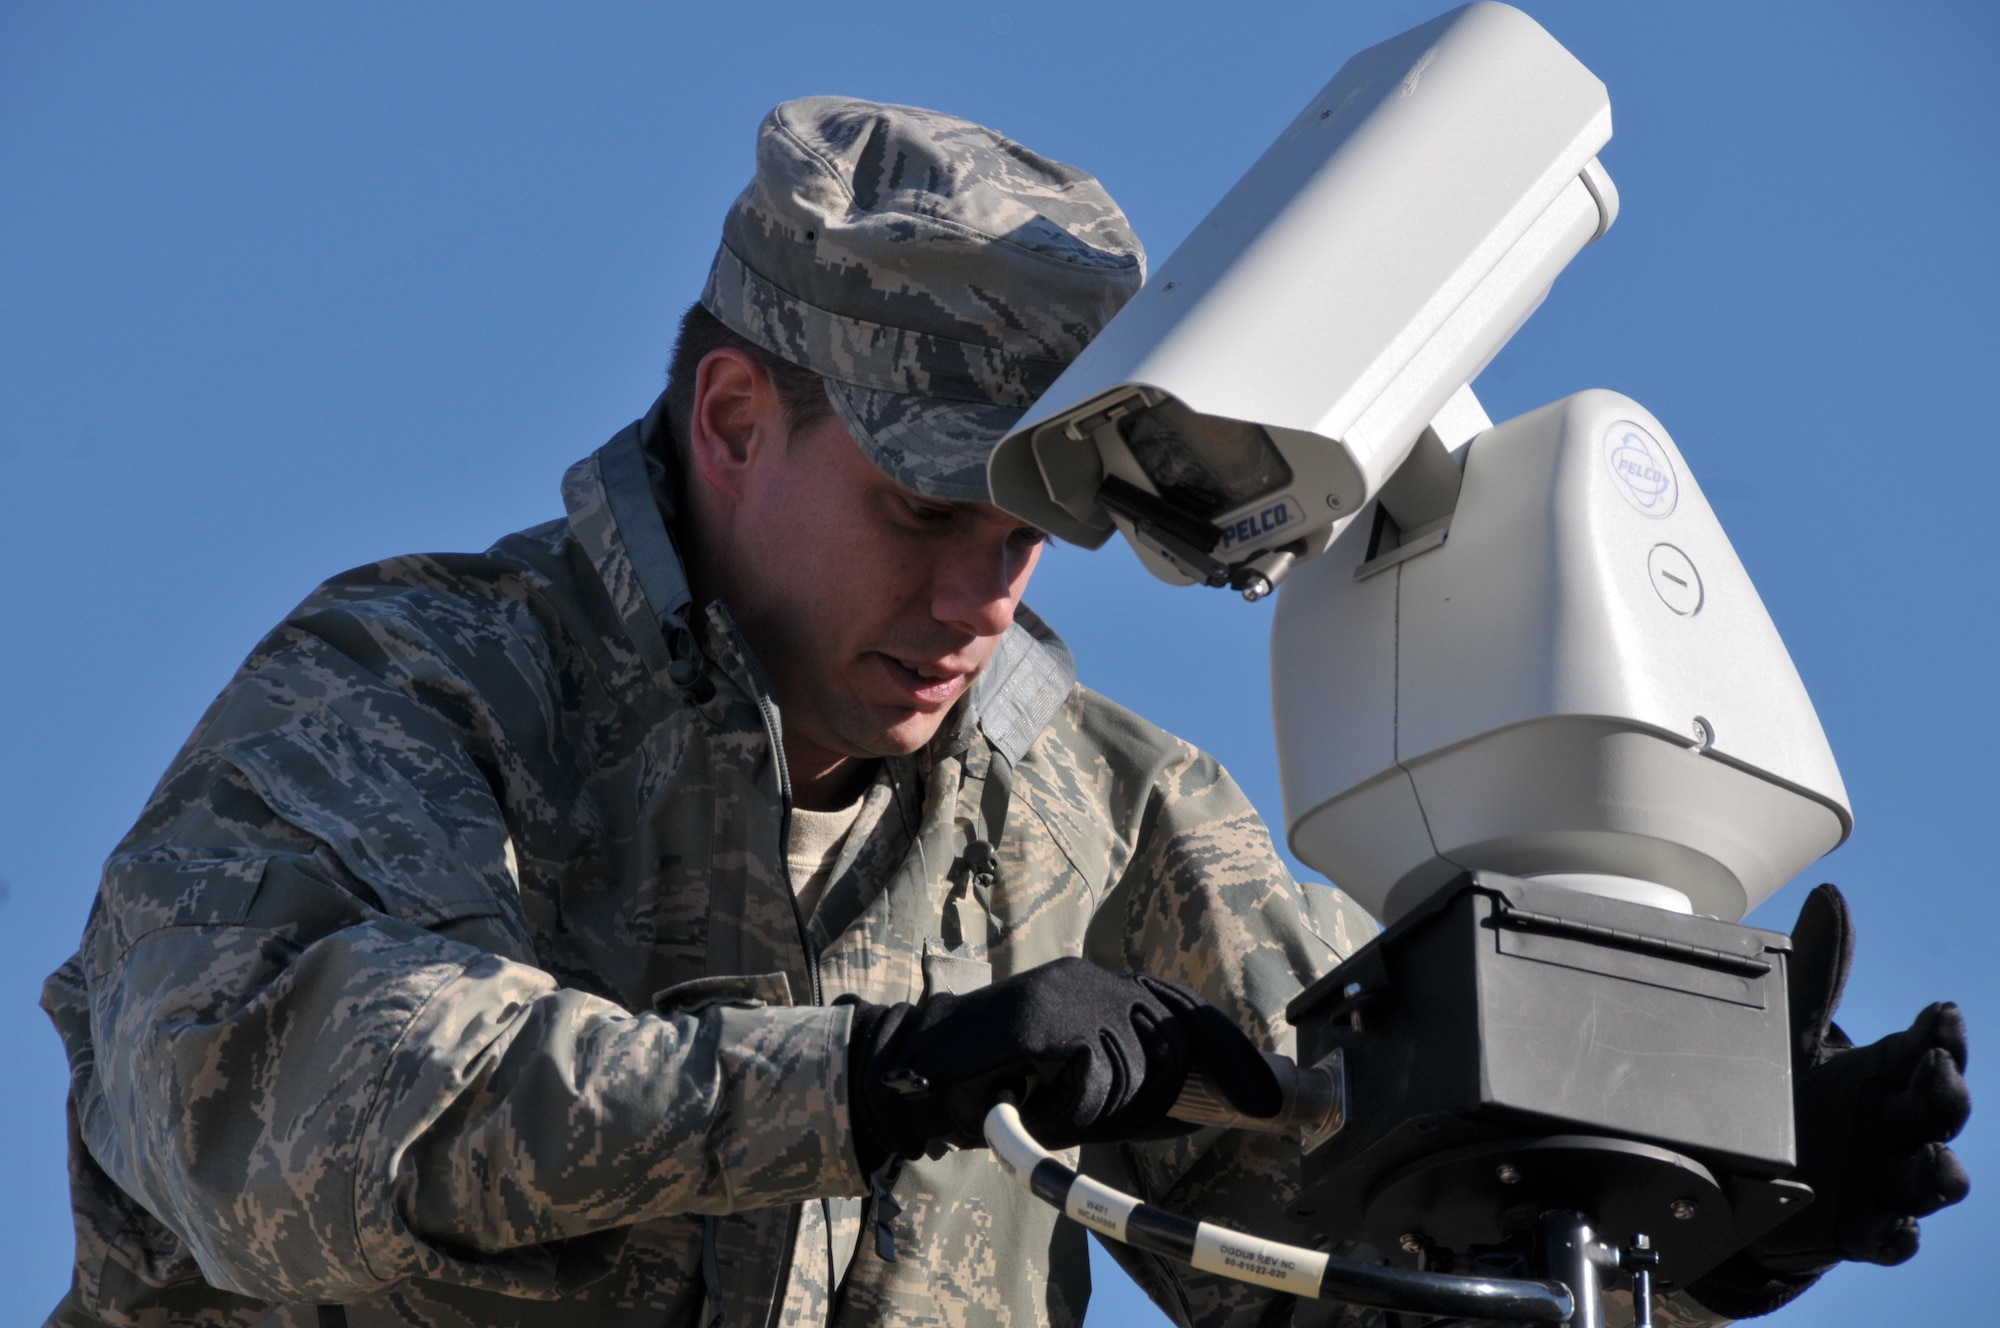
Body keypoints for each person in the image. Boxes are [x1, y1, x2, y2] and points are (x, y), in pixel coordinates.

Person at [38, 98, 1966, 1328]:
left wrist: (1694, 1214)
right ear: (732, 423)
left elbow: (1343, 1255)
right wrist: (883, 1075)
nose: (984, 595)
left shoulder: (1095, 815)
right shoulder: (415, 693)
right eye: (924, 510)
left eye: (1033, 528)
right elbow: (286, 1141)